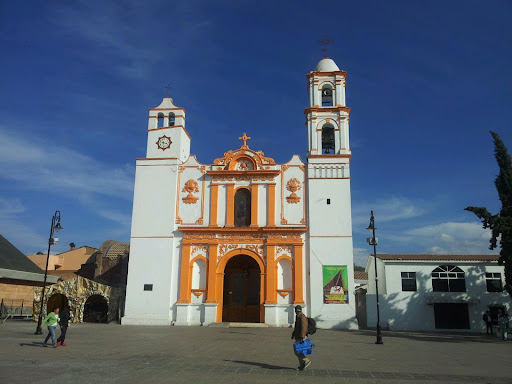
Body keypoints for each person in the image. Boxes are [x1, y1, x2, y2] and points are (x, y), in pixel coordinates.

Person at [291, 305, 310, 371]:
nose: (295, 312)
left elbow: (304, 327)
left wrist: (302, 337)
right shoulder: (298, 316)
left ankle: (305, 360)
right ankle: (302, 365)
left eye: (296, 310)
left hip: (301, 336)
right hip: (298, 336)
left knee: (298, 350)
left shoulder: (302, 317)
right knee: (298, 350)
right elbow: (297, 327)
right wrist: (293, 334)